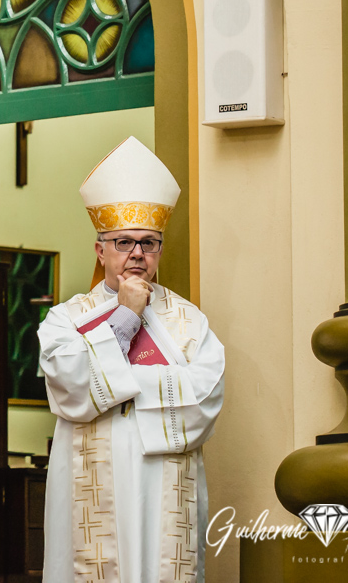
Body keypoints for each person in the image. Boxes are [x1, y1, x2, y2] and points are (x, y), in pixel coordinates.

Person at [37, 136, 225, 583]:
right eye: (123, 242)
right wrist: (125, 317)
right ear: (100, 250)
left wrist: (120, 384)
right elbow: (68, 386)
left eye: (149, 243)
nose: (137, 254)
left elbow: (206, 397)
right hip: (89, 489)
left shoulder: (188, 322)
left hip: (164, 484)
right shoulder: (64, 320)